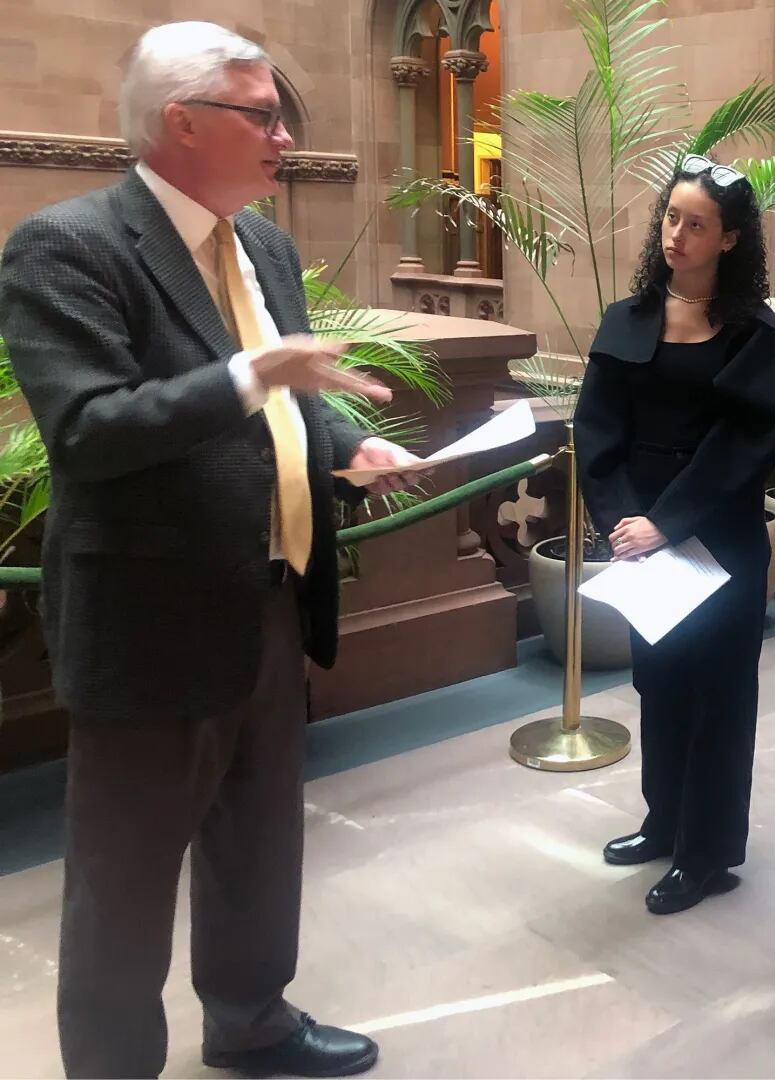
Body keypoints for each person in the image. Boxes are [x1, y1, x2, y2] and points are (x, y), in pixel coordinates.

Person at [0, 22, 424, 1079]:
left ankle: (251, 1020)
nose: (285, 135)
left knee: (258, 840)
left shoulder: (265, 245)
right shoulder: (69, 246)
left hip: (269, 599)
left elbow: (286, 411)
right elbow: (90, 430)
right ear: (179, 123)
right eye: (261, 115)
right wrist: (254, 373)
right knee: (124, 888)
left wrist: (343, 447)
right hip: (147, 627)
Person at [575, 155, 775, 916]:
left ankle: (707, 854)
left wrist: (667, 521)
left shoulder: (753, 334)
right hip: (641, 540)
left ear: (730, 239)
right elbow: (596, 431)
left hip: (717, 544)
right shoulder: (625, 320)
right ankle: (664, 822)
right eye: (671, 217)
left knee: (718, 699)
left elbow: (744, 443)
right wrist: (623, 524)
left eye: (696, 225)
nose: (677, 234)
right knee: (658, 685)